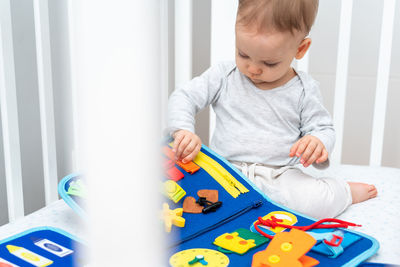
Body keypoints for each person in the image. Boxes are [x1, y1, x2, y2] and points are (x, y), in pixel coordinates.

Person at [166, 0, 377, 219]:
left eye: (269, 63)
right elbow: (184, 96)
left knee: (315, 203)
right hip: (225, 171)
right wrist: (182, 130)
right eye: (243, 54)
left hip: (279, 175)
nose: (254, 69)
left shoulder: (304, 90)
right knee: (182, 193)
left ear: (300, 49)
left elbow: (323, 128)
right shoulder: (223, 76)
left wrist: (317, 142)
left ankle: (344, 192)